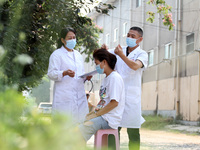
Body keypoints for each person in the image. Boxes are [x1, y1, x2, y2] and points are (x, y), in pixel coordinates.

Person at [103, 26, 148, 150]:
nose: (129, 38)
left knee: (133, 133)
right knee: (113, 129)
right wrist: (104, 50)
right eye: (128, 35)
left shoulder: (142, 54)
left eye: (133, 36)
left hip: (132, 98)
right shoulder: (118, 50)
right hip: (116, 96)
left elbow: (134, 66)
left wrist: (121, 55)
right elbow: (104, 56)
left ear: (140, 39)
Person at [79, 48, 125, 142]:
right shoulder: (106, 79)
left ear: (104, 62)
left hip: (109, 119)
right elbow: (103, 101)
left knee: (81, 130)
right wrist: (92, 113)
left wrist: (96, 114)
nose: (96, 67)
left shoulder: (114, 78)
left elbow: (114, 103)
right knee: (79, 122)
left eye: (96, 63)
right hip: (102, 116)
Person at [47, 27, 91, 124]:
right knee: (64, 127)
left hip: (79, 96)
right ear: (63, 40)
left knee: (79, 127)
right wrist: (64, 73)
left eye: (74, 37)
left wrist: (85, 78)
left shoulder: (78, 55)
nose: (72, 40)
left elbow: (79, 76)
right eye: (69, 38)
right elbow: (51, 74)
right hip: (64, 97)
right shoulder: (57, 54)